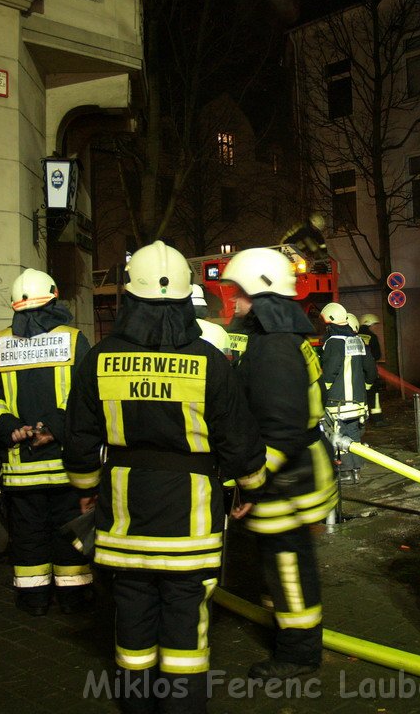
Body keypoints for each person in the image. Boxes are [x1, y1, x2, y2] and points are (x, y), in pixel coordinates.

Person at [65, 241, 268, 714]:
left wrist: (84, 491)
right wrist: (251, 488)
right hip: (191, 524)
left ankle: (136, 707)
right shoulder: (209, 362)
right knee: (186, 626)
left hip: (124, 520)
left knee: (131, 618)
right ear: (185, 301)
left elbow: (78, 438)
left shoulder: (98, 360)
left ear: (130, 299)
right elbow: (239, 440)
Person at [221, 247, 337, 680]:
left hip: (287, 479)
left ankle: (299, 652)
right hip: (296, 471)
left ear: (261, 296)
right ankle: (291, 629)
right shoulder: (284, 338)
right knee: (284, 561)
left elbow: (279, 429)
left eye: (240, 295)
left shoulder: (272, 349)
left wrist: (254, 483)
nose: (233, 303)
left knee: (288, 564)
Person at [0, 268, 93, 616]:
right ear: (54, 300)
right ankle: (73, 599)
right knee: (69, 533)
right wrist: (53, 428)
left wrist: (10, 426)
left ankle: (33, 599)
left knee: (27, 536)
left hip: (20, 465)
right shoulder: (72, 339)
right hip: (63, 464)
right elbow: (85, 396)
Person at [319, 303, 376, 480]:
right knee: (353, 437)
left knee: (338, 437)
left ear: (331, 321)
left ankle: (344, 471)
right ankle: (356, 470)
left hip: (337, 403)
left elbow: (329, 372)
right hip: (358, 403)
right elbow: (371, 371)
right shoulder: (358, 341)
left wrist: (323, 392)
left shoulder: (333, 342)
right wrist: (364, 389)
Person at [357, 312, 384, 425]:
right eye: (374, 325)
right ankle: (377, 419)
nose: (375, 327)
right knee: (374, 395)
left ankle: (361, 419)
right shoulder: (372, 337)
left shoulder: (354, 336)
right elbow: (377, 355)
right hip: (370, 371)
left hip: (357, 371)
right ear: (368, 324)